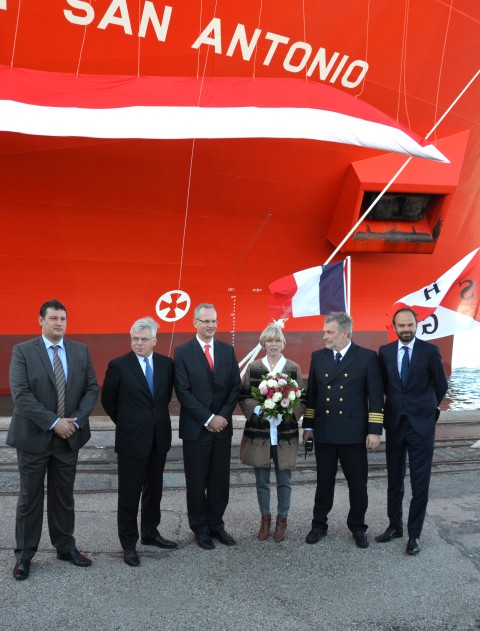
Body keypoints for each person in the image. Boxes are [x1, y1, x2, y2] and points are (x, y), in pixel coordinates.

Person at [8, 299, 98, 580]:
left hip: (68, 437)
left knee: (63, 497)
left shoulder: (81, 351)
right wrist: (53, 422)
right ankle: (24, 555)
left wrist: (76, 422)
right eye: (54, 318)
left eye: (63, 319)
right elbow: (21, 394)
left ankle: (65, 546)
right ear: (41, 321)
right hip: (34, 438)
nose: (59, 323)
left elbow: (92, 389)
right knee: (29, 498)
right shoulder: (23, 351)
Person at [303, 312, 384, 548]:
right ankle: (319, 525)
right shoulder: (318, 357)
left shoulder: (367, 357)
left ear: (345, 332)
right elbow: (313, 397)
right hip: (326, 431)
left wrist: (374, 430)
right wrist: (308, 426)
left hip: (354, 433)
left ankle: (358, 527)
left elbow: (376, 397)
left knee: (358, 484)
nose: (324, 336)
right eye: (325, 331)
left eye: (329, 332)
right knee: (323, 482)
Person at [101, 316, 177, 567]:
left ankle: (150, 532)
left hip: (159, 438)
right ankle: (129, 543)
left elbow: (163, 399)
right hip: (132, 439)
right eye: (135, 339)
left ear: (155, 340)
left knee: (154, 490)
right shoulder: (119, 365)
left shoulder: (167, 365)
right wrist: (127, 423)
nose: (139, 343)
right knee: (129, 494)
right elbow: (108, 401)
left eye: (144, 339)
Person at [375, 307, 448, 555]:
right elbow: (384, 386)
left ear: (417, 325)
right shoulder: (384, 352)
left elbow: (441, 385)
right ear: (394, 327)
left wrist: (427, 410)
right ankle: (395, 527)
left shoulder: (430, 351)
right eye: (401, 325)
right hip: (395, 424)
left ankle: (414, 535)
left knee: (420, 483)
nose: (406, 329)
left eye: (410, 325)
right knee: (394, 481)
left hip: (421, 427)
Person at [174, 303, 241, 550]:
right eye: (205, 321)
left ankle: (216, 525)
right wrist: (208, 418)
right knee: (196, 481)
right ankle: (199, 528)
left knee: (219, 481)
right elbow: (183, 391)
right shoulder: (182, 352)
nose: (211, 325)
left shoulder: (227, 350)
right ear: (195, 323)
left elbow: (235, 385)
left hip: (222, 428)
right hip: (196, 429)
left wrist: (221, 416)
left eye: (214, 321)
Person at [239, 324, 305, 542]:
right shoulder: (254, 368)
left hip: (285, 433)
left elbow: (302, 399)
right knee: (262, 480)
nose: (273, 344)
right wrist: (258, 408)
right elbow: (244, 395)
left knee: (284, 479)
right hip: (260, 433)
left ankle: (282, 521)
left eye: (277, 340)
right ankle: (265, 520)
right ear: (263, 344)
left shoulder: (293, 368)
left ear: (282, 343)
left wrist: (288, 411)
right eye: (269, 341)